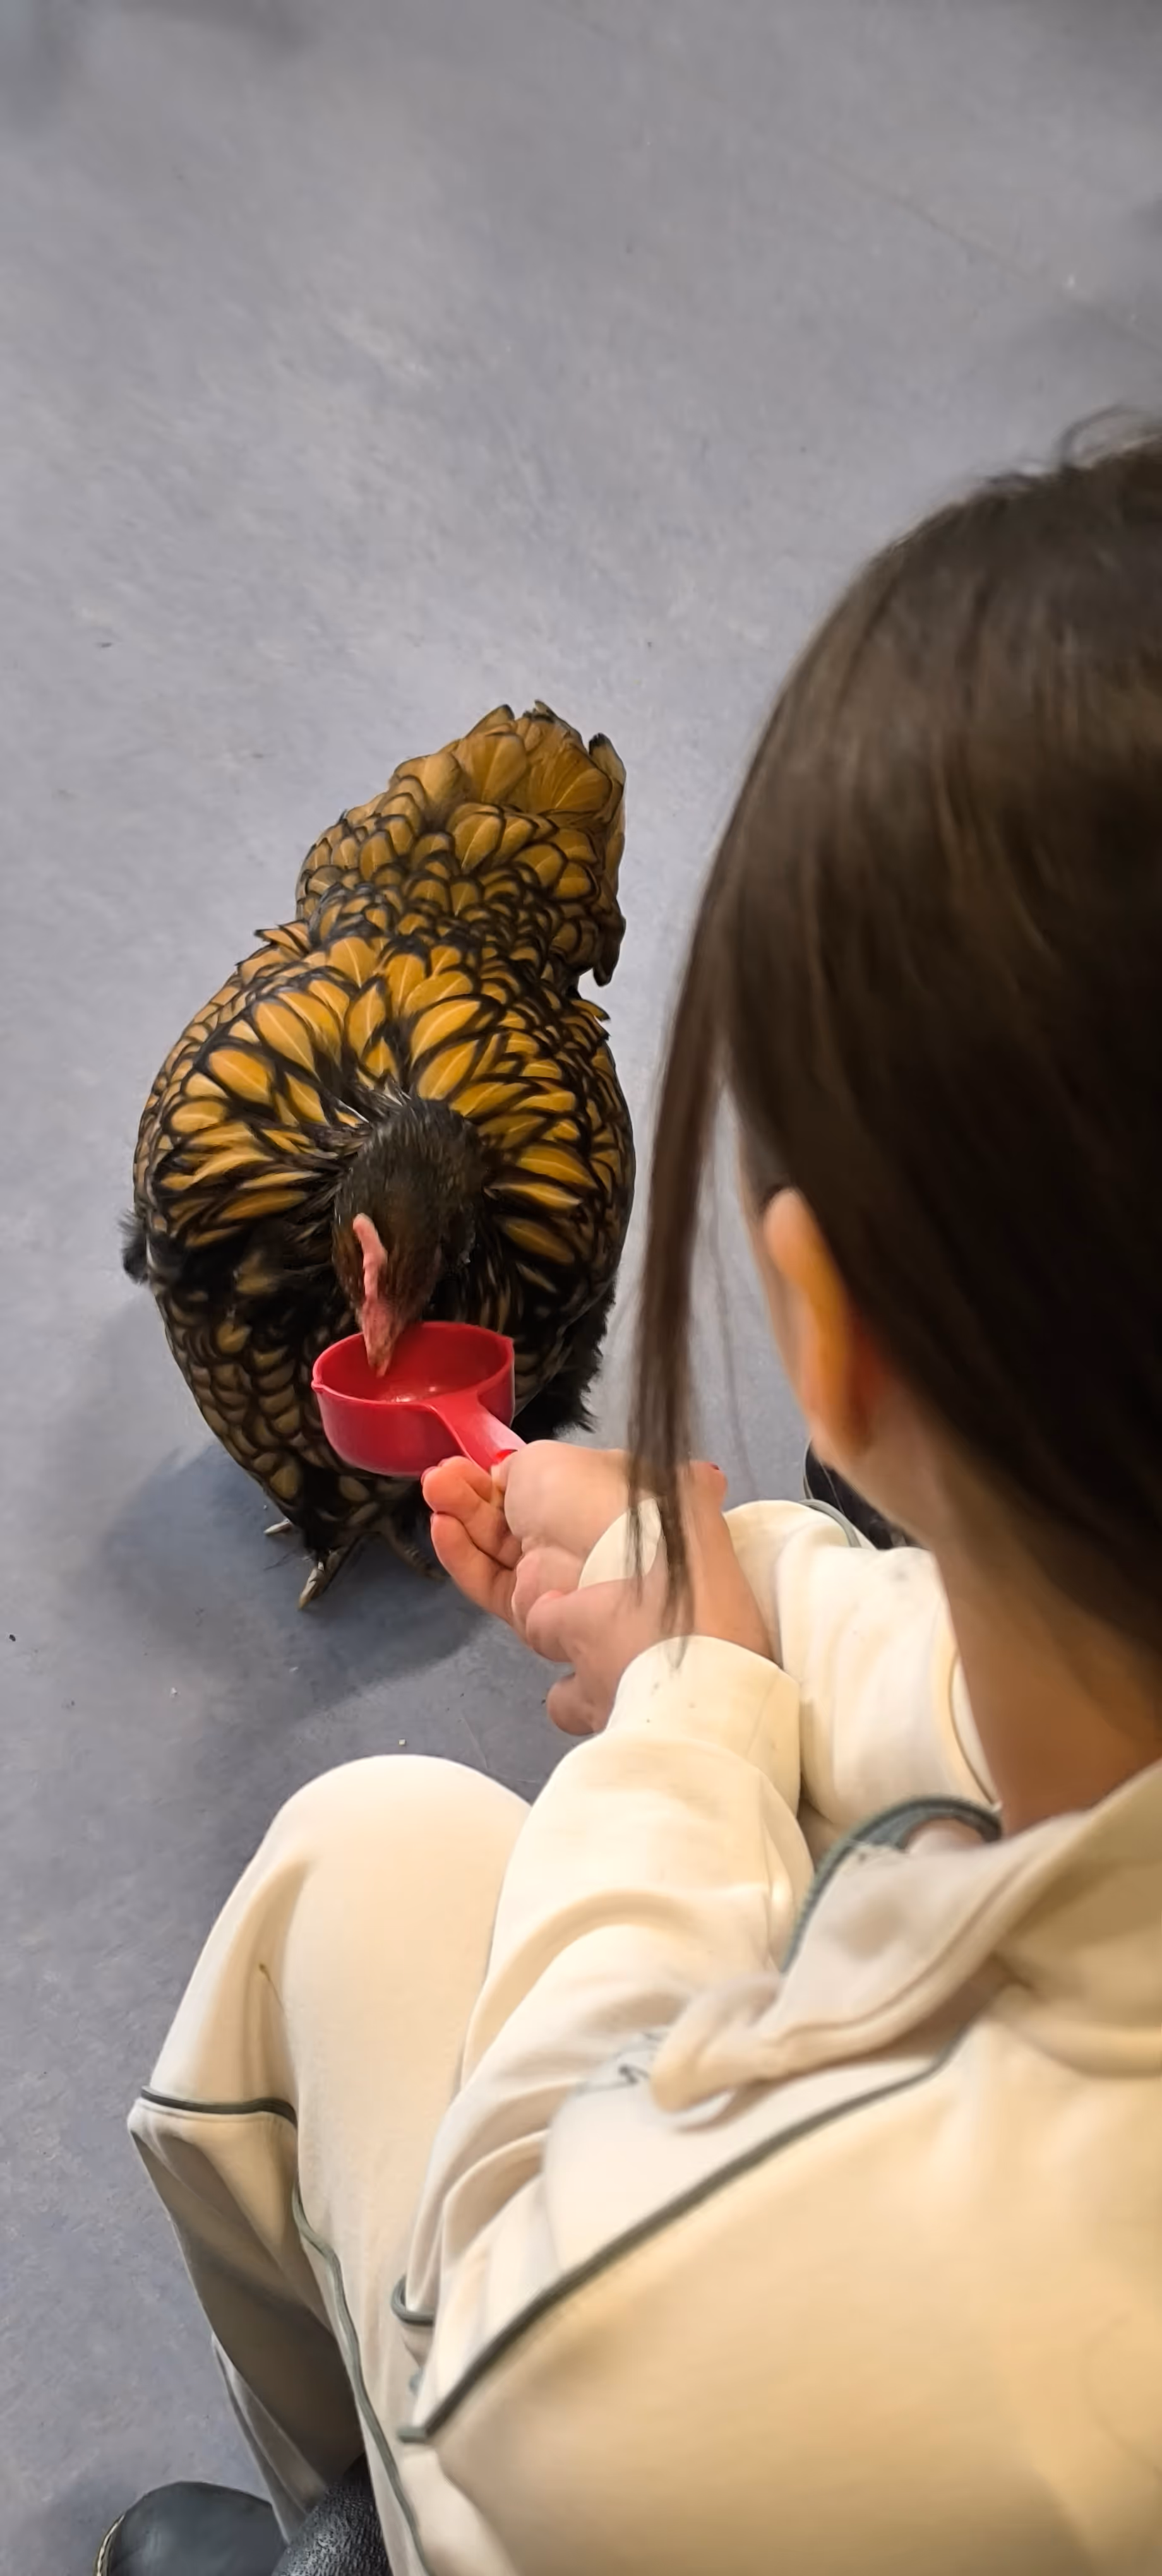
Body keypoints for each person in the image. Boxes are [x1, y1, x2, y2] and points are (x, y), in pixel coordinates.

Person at [100, 429, 1162, 2576]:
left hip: (597, 2422)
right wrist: (760, 1578)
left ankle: (359, 2522)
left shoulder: (764, 2344)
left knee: (360, 1845)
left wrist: (688, 1719)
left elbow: (544, 2303)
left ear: (829, 1338)